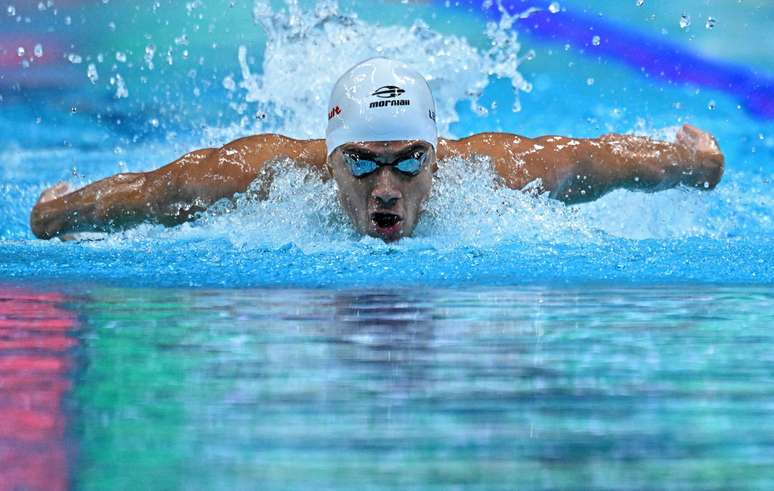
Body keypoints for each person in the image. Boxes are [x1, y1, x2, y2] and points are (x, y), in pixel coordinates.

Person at [30, 57, 724, 242]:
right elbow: (154, 193)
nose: (386, 185)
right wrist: (64, 212)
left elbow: (597, 160)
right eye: (362, 161)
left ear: (435, 152)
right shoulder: (263, 173)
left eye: (407, 161)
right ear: (327, 159)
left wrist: (692, 163)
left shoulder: (490, 172)